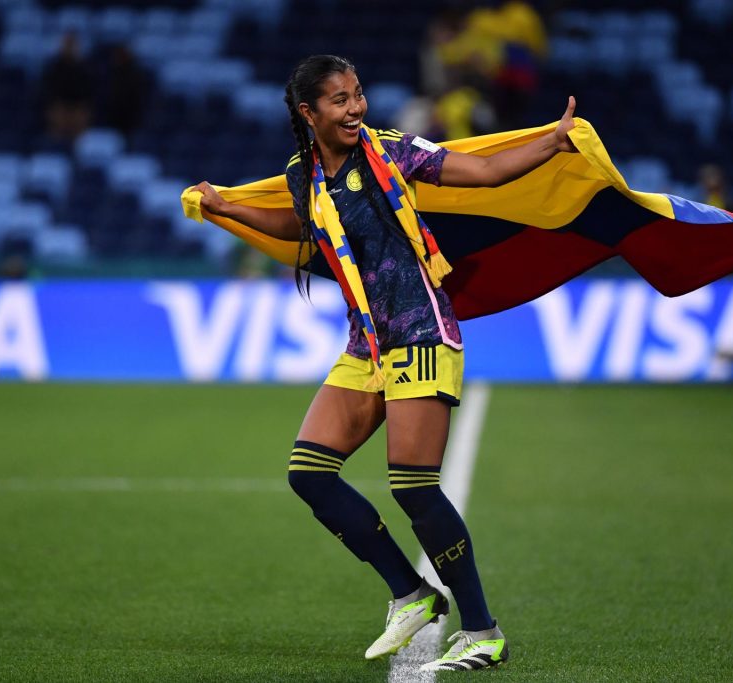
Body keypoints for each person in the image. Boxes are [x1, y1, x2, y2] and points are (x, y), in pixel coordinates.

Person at [191, 54, 577, 672]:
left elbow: (478, 171)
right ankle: (411, 593)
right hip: (366, 344)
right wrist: (230, 209)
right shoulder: (305, 174)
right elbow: (304, 227)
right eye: (339, 100)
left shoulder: (391, 153)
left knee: (412, 484)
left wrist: (549, 144)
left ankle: (483, 628)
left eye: (358, 94)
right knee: (309, 474)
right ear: (308, 113)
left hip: (423, 331)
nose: (354, 108)